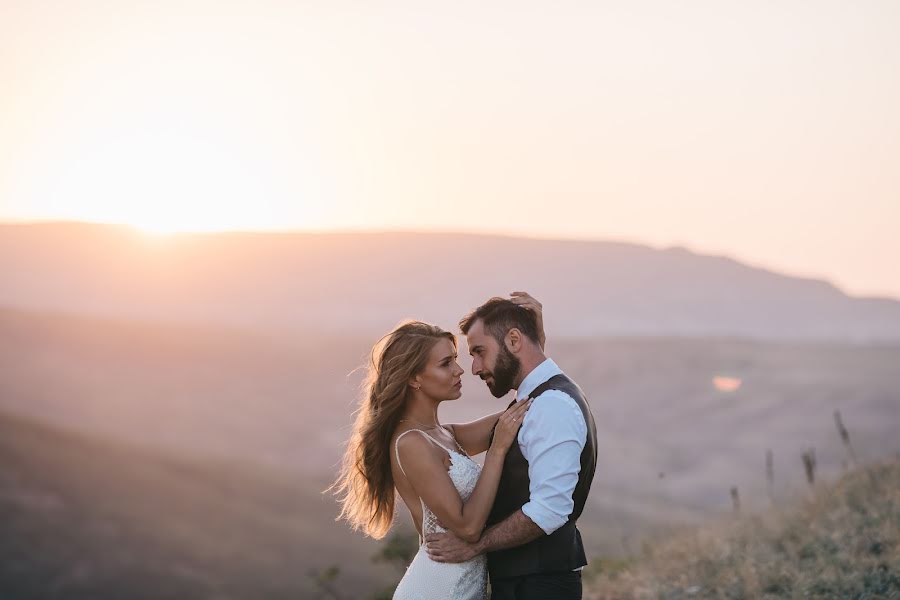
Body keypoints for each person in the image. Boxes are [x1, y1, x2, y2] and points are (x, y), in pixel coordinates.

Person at [330, 293, 545, 599]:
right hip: (437, 590)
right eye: (446, 363)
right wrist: (496, 451)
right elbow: (468, 529)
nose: (460, 370)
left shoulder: (445, 435)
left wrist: (534, 339)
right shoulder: (411, 444)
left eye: (455, 360)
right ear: (414, 379)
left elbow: (529, 405)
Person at [425, 296, 598, 600]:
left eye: (479, 352)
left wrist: (476, 545)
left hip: (539, 587)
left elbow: (549, 510)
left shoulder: (552, 406)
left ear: (514, 340)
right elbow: (448, 435)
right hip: (528, 583)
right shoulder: (537, 398)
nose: (474, 368)